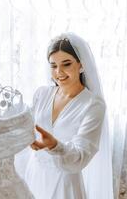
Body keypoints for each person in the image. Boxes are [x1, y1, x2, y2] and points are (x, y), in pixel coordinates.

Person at [23, 33, 113, 199]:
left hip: (63, 183)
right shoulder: (41, 94)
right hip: (34, 174)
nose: (59, 72)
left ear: (81, 65)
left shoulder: (93, 105)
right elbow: (24, 125)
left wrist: (55, 146)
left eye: (66, 64)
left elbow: (81, 157)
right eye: (53, 66)